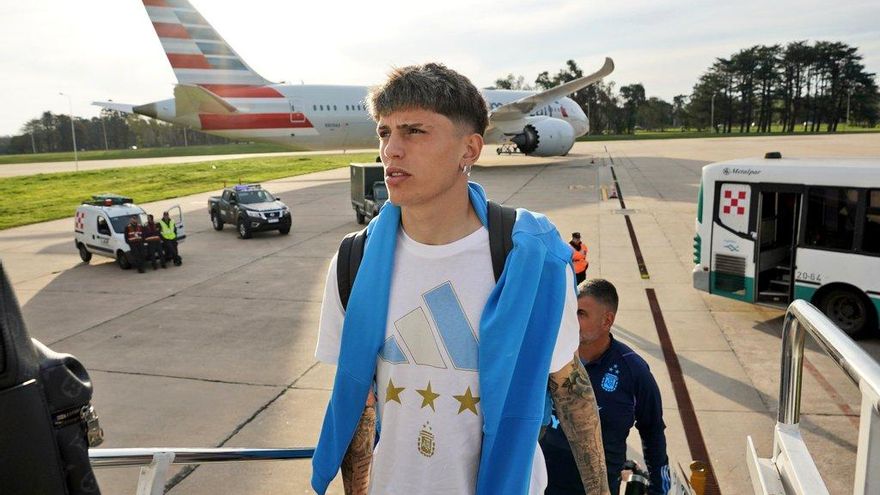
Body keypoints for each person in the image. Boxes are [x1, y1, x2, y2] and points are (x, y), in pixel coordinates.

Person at [311, 63, 609, 495]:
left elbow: (569, 385)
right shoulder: (353, 260)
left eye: (414, 132)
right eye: (384, 132)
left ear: (469, 149)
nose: (391, 150)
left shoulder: (530, 259)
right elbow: (361, 406)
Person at [541, 279, 670, 495]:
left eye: (581, 314)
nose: (572, 321)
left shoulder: (634, 372)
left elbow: (653, 432)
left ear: (606, 320)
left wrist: (660, 490)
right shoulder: (549, 358)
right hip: (541, 486)